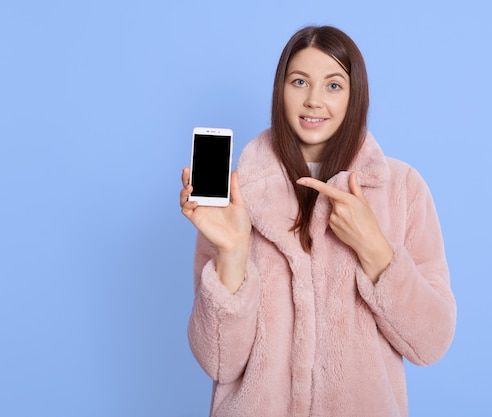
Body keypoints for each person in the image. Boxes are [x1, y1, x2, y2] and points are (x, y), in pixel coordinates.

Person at [179, 25, 456, 417]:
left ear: (354, 95)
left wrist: (373, 247)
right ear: (281, 90)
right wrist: (233, 253)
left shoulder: (402, 189)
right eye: (299, 81)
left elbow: (431, 343)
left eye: (333, 85)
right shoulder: (237, 196)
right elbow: (219, 363)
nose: (313, 101)